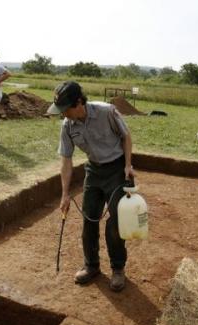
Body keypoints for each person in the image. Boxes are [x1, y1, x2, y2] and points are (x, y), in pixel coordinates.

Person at [48, 81, 134, 292]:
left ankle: (117, 269)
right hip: (93, 171)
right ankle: (91, 266)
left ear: (79, 102)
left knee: (115, 222)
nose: (63, 114)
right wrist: (65, 194)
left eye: (65, 109)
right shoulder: (67, 126)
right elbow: (66, 161)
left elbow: (126, 136)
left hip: (116, 170)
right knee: (89, 219)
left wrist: (128, 165)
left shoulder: (106, 112)